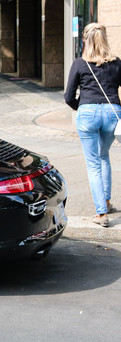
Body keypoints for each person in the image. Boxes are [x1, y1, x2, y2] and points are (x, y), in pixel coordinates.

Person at [65, 23, 121, 227]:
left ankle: (101, 213)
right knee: (104, 156)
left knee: (93, 164)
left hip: (88, 113)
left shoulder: (80, 64)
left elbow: (69, 96)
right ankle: (106, 201)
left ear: (85, 41)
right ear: (105, 39)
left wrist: (83, 107)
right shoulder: (116, 63)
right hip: (112, 113)